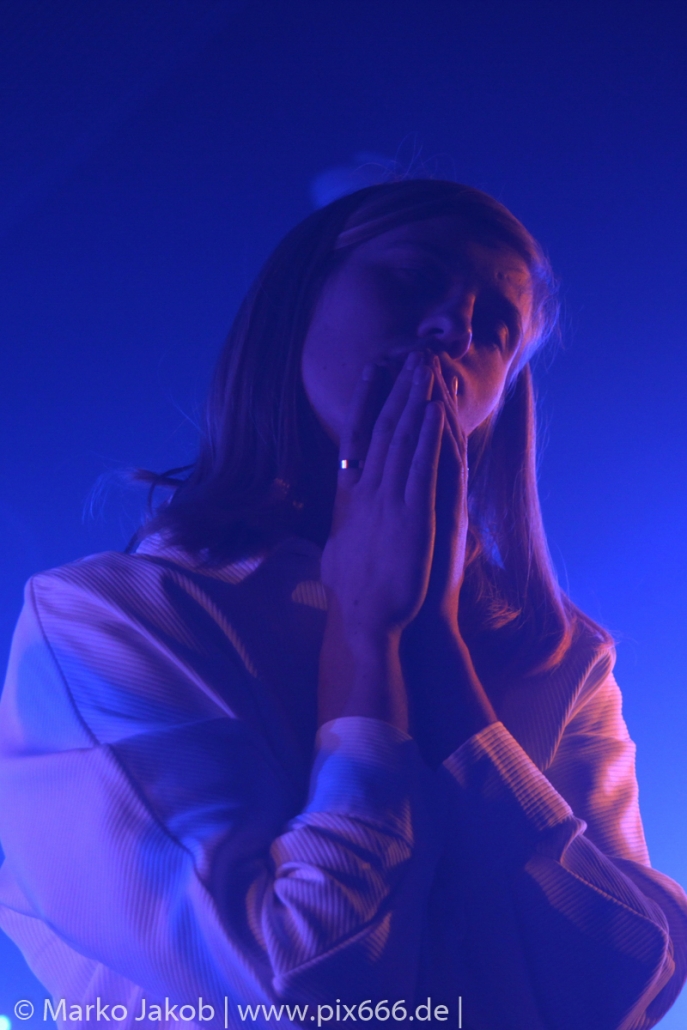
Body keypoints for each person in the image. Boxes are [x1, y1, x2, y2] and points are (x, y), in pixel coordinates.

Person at [0, 180, 685, 1030]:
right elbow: (303, 992)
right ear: (296, 304)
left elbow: (624, 983)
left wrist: (429, 642)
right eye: (412, 278)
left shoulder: (561, 658)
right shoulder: (108, 621)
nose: (452, 327)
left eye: (495, 329)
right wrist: (365, 637)